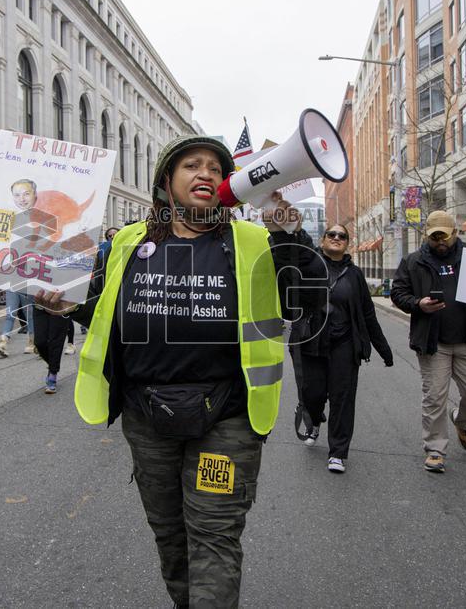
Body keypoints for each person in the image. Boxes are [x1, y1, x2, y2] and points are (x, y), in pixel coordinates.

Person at [35, 135, 310, 607]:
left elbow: (302, 301)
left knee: (214, 536)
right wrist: (67, 307)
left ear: (228, 186)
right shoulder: (128, 241)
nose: (205, 174)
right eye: (191, 165)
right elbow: (105, 313)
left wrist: (288, 235)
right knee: (170, 536)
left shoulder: (253, 239)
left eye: (215, 169)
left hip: (227, 418)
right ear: (167, 181)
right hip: (147, 419)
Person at [390, 210, 466, 473]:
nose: (440, 241)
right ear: (426, 235)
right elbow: (398, 292)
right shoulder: (413, 261)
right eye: (435, 237)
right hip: (433, 342)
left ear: (455, 233)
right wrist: (418, 304)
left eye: (445, 236)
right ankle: (435, 450)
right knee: (434, 397)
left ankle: (462, 422)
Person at [289, 224, 393, 473]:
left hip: (344, 345)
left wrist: (383, 349)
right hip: (311, 343)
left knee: (342, 399)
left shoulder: (354, 274)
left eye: (342, 236)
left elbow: (367, 313)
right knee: (311, 394)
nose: (336, 238)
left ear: (347, 243)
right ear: (323, 240)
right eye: (331, 235)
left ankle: (337, 452)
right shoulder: (310, 266)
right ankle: (313, 419)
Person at [32, 306, 67, 394]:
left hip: (61, 304)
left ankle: (53, 373)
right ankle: (53, 364)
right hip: (40, 305)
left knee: (56, 341)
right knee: (39, 342)